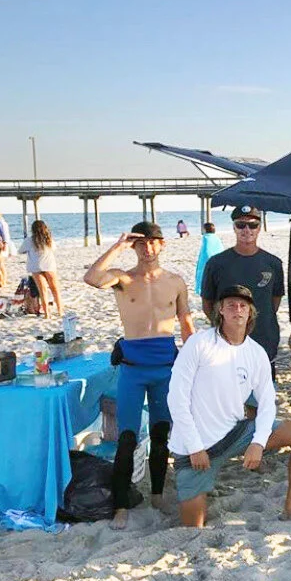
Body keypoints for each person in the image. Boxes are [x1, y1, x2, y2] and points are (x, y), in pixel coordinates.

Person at [167, 285, 291, 527]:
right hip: (197, 447)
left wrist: (258, 443)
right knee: (192, 527)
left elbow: (267, 402)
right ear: (221, 311)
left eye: (243, 306)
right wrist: (194, 447)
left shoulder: (256, 353)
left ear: (250, 313)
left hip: (237, 433)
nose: (237, 309)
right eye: (231, 305)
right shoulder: (199, 344)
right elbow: (176, 398)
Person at [84, 222, 196, 529]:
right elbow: (91, 278)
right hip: (133, 369)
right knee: (127, 437)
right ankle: (121, 505)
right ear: (134, 247)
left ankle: (157, 493)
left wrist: (196, 359)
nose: (147, 248)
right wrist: (118, 245)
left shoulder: (175, 281)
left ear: (162, 246)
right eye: (140, 243)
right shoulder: (122, 278)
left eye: (152, 243)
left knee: (161, 434)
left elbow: (186, 323)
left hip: (165, 368)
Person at [200, 206, 285, 369]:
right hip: (226, 343)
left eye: (252, 225)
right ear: (233, 227)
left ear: (259, 228)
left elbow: (274, 302)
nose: (247, 230)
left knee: (263, 393)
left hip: (264, 339)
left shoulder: (273, 263)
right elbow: (207, 303)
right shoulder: (216, 263)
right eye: (241, 225)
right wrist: (225, 327)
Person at [18, 219, 62, 317]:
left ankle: (47, 313)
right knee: (54, 289)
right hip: (49, 265)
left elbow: (20, 251)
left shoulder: (29, 240)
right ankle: (60, 310)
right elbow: (54, 248)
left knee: (43, 290)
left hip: (35, 266)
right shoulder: (48, 239)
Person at [194, 222, 224, 297]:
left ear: (205, 229)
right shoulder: (216, 238)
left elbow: (206, 251)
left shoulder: (206, 238)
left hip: (208, 262)